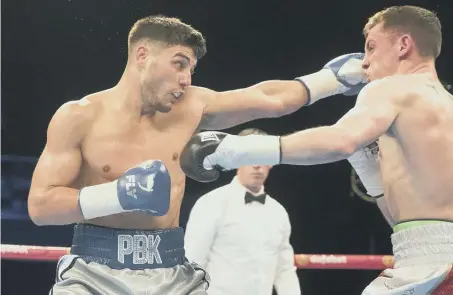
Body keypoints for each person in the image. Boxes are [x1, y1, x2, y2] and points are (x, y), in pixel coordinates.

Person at [27, 15, 367, 295]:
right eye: (179, 64)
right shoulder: (79, 117)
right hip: (92, 275)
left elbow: (268, 98)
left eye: (191, 69)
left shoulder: (191, 107)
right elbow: (41, 207)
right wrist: (116, 196)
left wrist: (330, 81)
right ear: (142, 55)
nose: (186, 80)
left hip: (171, 273)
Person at [181, 5, 453, 294]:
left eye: (372, 48)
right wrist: (371, 174)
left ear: (403, 45)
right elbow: (413, 227)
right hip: (429, 261)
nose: (365, 62)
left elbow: (341, 140)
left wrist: (238, 148)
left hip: (427, 269)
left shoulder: (390, 89)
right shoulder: (445, 103)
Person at [185, 128, 301, 295]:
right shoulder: (211, 203)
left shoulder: (278, 212)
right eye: (250, 156)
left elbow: (284, 271)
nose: (256, 165)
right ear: (236, 159)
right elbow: (193, 265)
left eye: (262, 157)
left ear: (271, 162)